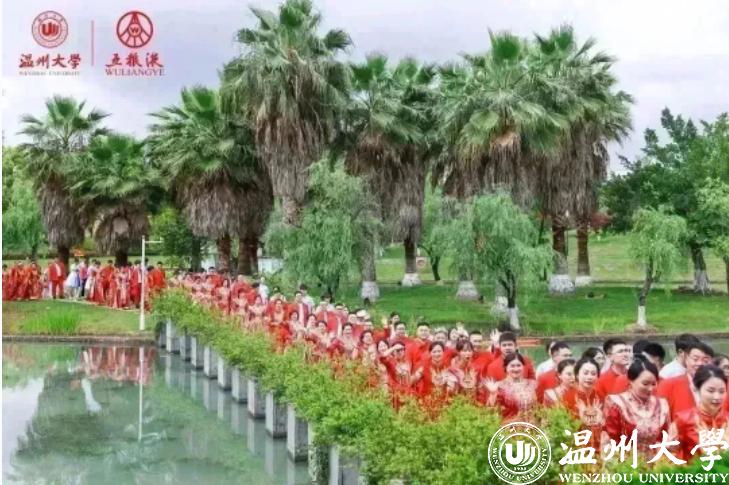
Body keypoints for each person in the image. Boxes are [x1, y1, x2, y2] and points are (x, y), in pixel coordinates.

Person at [603, 356, 670, 459]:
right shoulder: (617, 403)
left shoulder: (661, 405)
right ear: (631, 381)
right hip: (625, 463)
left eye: (653, 384)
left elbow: (663, 438)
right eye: (645, 384)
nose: (650, 388)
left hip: (655, 463)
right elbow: (610, 440)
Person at [670, 365, 729, 463]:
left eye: (722, 391)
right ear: (697, 389)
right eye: (710, 391)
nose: (717, 397)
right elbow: (672, 456)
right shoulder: (683, 420)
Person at [657, 341, 715, 419]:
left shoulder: (722, 386)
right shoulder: (668, 385)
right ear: (686, 359)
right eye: (695, 359)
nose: (700, 363)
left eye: (705, 361)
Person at [481, 353, 538, 421]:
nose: (516, 369)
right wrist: (493, 394)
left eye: (518, 365)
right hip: (509, 425)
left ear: (523, 366)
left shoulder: (531, 384)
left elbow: (537, 408)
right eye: (512, 366)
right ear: (506, 367)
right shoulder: (499, 386)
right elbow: (490, 412)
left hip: (531, 425)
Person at [562, 357, 605, 449]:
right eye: (585, 373)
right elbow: (563, 427)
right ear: (577, 375)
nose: (589, 377)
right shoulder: (567, 398)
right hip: (576, 448)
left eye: (593, 374)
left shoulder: (601, 397)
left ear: (597, 376)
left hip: (599, 448)